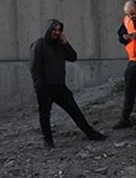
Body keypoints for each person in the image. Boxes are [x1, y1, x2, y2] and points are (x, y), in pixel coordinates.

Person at [29, 19, 106, 148]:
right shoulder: (39, 44)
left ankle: (90, 133)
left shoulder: (60, 44)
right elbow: (34, 67)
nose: (56, 32)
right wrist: (39, 86)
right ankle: (48, 141)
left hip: (60, 86)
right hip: (45, 87)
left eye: (59, 30)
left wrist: (66, 43)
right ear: (48, 30)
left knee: (75, 110)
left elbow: (73, 57)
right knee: (45, 114)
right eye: (54, 29)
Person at [115, 0, 136, 129]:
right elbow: (120, 36)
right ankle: (125, 119)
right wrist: (126, 37)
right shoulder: (127, 20)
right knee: (129, 90)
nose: (131, 16)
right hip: (133, 60)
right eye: (129, 14)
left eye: (133, 13)